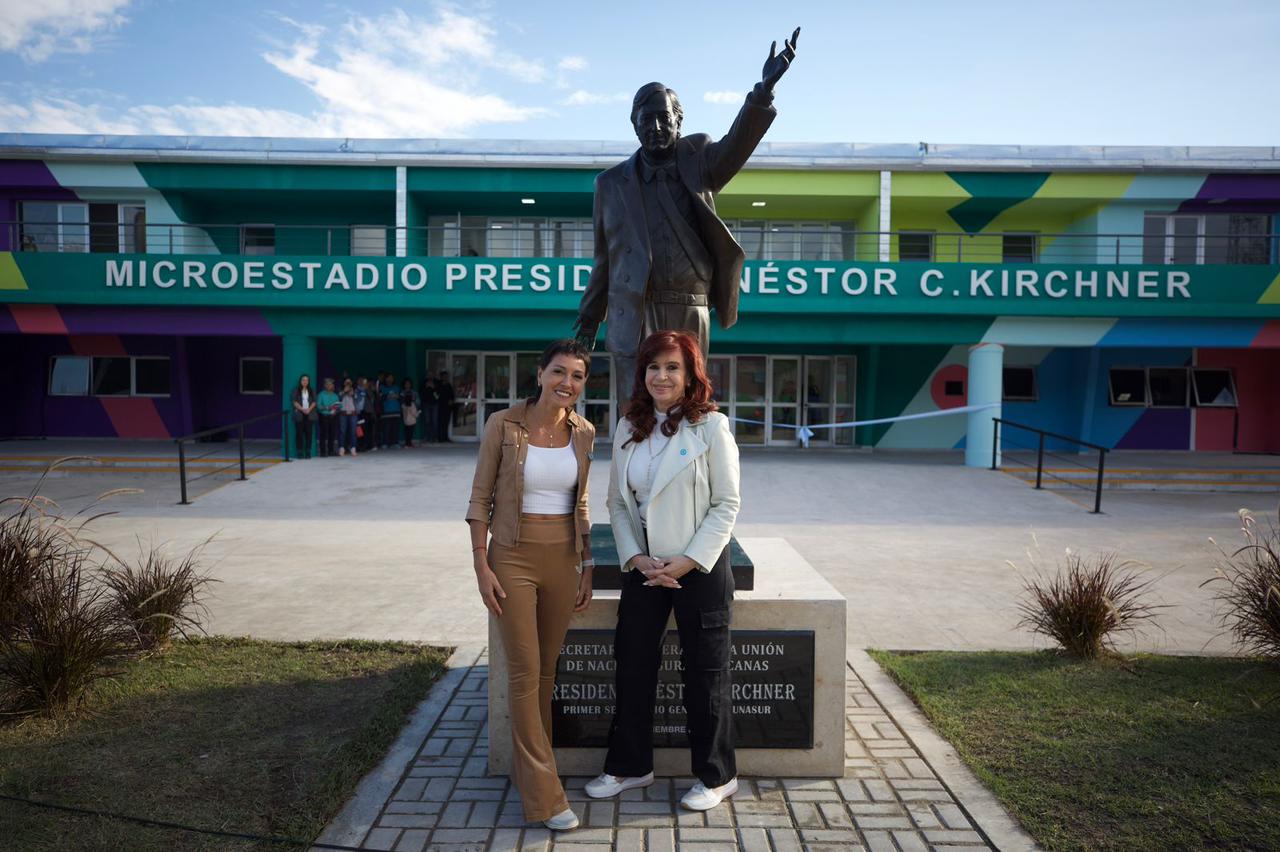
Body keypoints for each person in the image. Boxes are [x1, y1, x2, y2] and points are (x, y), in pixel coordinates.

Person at [573, 29, 800, 403]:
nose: (656, 127)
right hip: (635, 308)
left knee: (687, 402)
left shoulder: (701, 162)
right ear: (635, 125)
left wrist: (762, 92)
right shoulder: (610, 183)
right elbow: (605, 257)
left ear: (679, 121)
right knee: (637, 408)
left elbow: (737, 145)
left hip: (691, 306)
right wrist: (589, 317)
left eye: (664, 118)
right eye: (646, 120)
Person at [585, 330, 741, 812]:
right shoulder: (629, 426)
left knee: (705, 673)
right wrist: (635, 557)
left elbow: (726, 502)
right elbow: (616, 500)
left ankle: (717, 776)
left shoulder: (711, 427)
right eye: (654, 366)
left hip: (699, 566)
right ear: (643, 373)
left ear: (691, 373)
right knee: (632, 666)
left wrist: (688, 559)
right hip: (645, 568)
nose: (662, 376)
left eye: (672, 366)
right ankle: (631, 766)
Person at [465, 339, 596, 831]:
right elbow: (479, 500)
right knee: (524, 672)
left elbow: (580, 504)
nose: (567, 383)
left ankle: (527, 771)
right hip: (512, 557)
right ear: (540, 374)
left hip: (563, 558)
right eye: (559, 372)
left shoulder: (584, 432)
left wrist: (587, 564)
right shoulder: (503, 425)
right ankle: (545, 796)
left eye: (578, 376)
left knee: (546, 673)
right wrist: (482, 565)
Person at [290, 374, 317, 459]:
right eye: (303, 380)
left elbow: (314, 401)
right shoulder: (296, 390)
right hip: (299, 414)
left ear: (308, 381)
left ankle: (308, 452)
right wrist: (302, 409)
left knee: (309, 434)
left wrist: (309, 409)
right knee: (299, 434)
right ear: (300, 381)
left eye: (306, 380)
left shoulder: (312, 390)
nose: (305, 382)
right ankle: (300, 452)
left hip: (310, 414)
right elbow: (294, 402)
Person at [317, 377, 340, 457]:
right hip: (324, 416)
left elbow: (338, 406)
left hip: (333, 416)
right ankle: (323, 452)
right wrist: (327, 408)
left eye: (331, 384)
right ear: (325, 385)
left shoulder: (335, 395)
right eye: (329, 384)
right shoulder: (321, 394)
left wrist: (335, 411)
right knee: (324, 434)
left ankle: (331, 451)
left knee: (332, 434)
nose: (330, 386)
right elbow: (318, 406)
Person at [338, 377, 359, 457]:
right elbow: (338, 399)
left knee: (353, 432)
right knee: (342, 431)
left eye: (349, 382)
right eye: (346, 382)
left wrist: (352, 393)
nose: (348, 383)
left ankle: (353, 448)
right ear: (344, 383)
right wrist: (344, 391)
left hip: (353, 414)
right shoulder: (340, 390)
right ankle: (341, 448)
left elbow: (357, 400)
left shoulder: (355, 390)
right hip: (343, 414)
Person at [381, 372, 401, 449]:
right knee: (386, 428)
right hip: (386, 412)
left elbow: (401, 398)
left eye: (391, 378)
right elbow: (380, 398)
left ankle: (395, 442)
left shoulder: (397, 388)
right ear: (385, 379)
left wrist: (397, 396)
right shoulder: (382, 387)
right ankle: (385, 443)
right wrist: (387, 396)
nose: (390, 379)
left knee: (395, 428)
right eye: (388, 377)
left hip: (396, 411)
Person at [436, 370, 455, 442]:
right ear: (441, 377)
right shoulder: (438, 385)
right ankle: (440, 438)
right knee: (440, 422)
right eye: (444, 376)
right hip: (440, 406)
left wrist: (451, 400)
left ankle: (445, 437)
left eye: (446, 377)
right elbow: (436, 394)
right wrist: (437, 400)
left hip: (448, 407)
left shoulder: (449, 385)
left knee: (446, 422)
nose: (445, 378)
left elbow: (452, 395)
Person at [420, 375, 439, 444]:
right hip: (426, 405)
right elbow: (421, 394)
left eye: (431, 374)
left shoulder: (436, 383)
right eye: (429, 374)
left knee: (434, 421)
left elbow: (437, 396)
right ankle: (427, 437)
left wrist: (433, 388)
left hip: (434, 405)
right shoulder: (424, 383)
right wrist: (426, 387)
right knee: (427, 421)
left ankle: (435, 437)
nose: (430, 376)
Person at [401, 378, 418, 447]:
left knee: (407, 431)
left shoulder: (403, 405)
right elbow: (415, 414)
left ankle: (407, 443)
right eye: (406, 384)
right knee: (409, 431)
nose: (407, 385)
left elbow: (418, 401)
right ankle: (408, 443)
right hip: (412, 420)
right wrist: (418, 413)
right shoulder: (412, 405)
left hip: (406, 420)